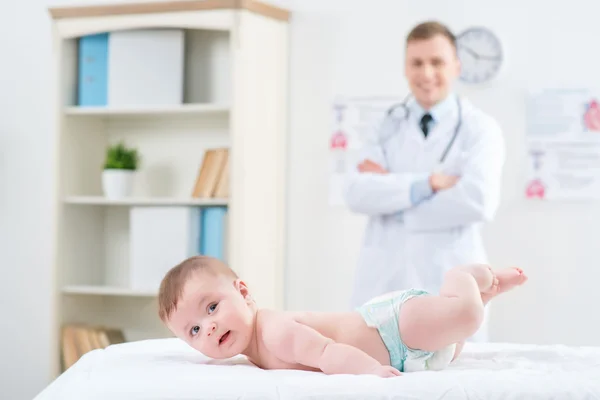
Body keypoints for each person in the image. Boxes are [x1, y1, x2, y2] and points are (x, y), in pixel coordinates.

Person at [343, 21, 505, 343]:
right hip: (384, 283)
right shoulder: (385, 125)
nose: (426, 73)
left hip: (450, 279)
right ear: (405, 68)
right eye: (417, 63)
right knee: (378, 381)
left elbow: (478, 200)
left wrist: (392, 193)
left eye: (437, 62)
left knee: (458, 385)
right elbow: (356, 192)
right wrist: (428, 184)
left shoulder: (480, 129)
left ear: (457, 66)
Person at [158, 255, 527, 377]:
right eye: (193, 330)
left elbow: (326, 354)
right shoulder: (254, 355)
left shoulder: (273, 331)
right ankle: (483, 294)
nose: (209, 327)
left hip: (392, 328)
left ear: (242, 293)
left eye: (211, 308)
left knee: (466, 318)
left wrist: (370, 372)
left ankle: (461, 278)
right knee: (455, 342)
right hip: (409, 354)